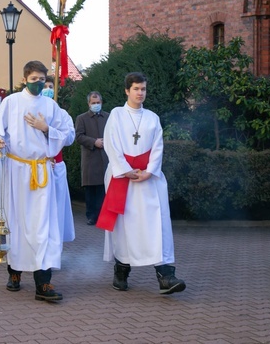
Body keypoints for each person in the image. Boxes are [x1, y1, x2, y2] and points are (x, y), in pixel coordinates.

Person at [0, 60, 74, 302]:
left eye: (43, 79)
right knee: (18, 223)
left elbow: (69, 135)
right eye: (34, 80)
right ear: (25, 79)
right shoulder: (11, 102)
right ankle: (14, 272)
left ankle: (43, 282)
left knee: (44, 226)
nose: (39, 84)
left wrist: (47, 129)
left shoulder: (51, 106)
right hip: (17, 171)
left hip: (42, 172)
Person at [98, 72, 186, 295]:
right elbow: (111, 144)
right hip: (122, 179)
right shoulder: (117, 115)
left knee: (157, 224)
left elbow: (158, 146)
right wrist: (125, 170)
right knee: (125, 226)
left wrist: (150, 171)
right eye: (136, 89)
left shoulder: (152, 118)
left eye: (143, 89)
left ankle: (166, 276)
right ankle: (122, 269)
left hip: (147, 180)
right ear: (127, 91)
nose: (140, 93)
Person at [42, 77, 75, 244]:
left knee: (57, 207)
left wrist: (50, 130)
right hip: (37, 167)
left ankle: (56, 246)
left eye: (50, 86)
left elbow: (69, 138)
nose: (47, 89)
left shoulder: (62, 114)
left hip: (57, 167)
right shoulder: (32, 112)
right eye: (45, 86)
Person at [75, 91, 110, 225]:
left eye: (98, 102)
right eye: (93, 103)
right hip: (90, 158)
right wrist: (93, 142)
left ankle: (103, 215)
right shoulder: (82, 118)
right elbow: (78, 136)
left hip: (105, 158)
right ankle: (91, 216)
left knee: (103, 188)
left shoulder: (108, 117)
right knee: (90, 190)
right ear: (89, 104)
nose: (96, 105)